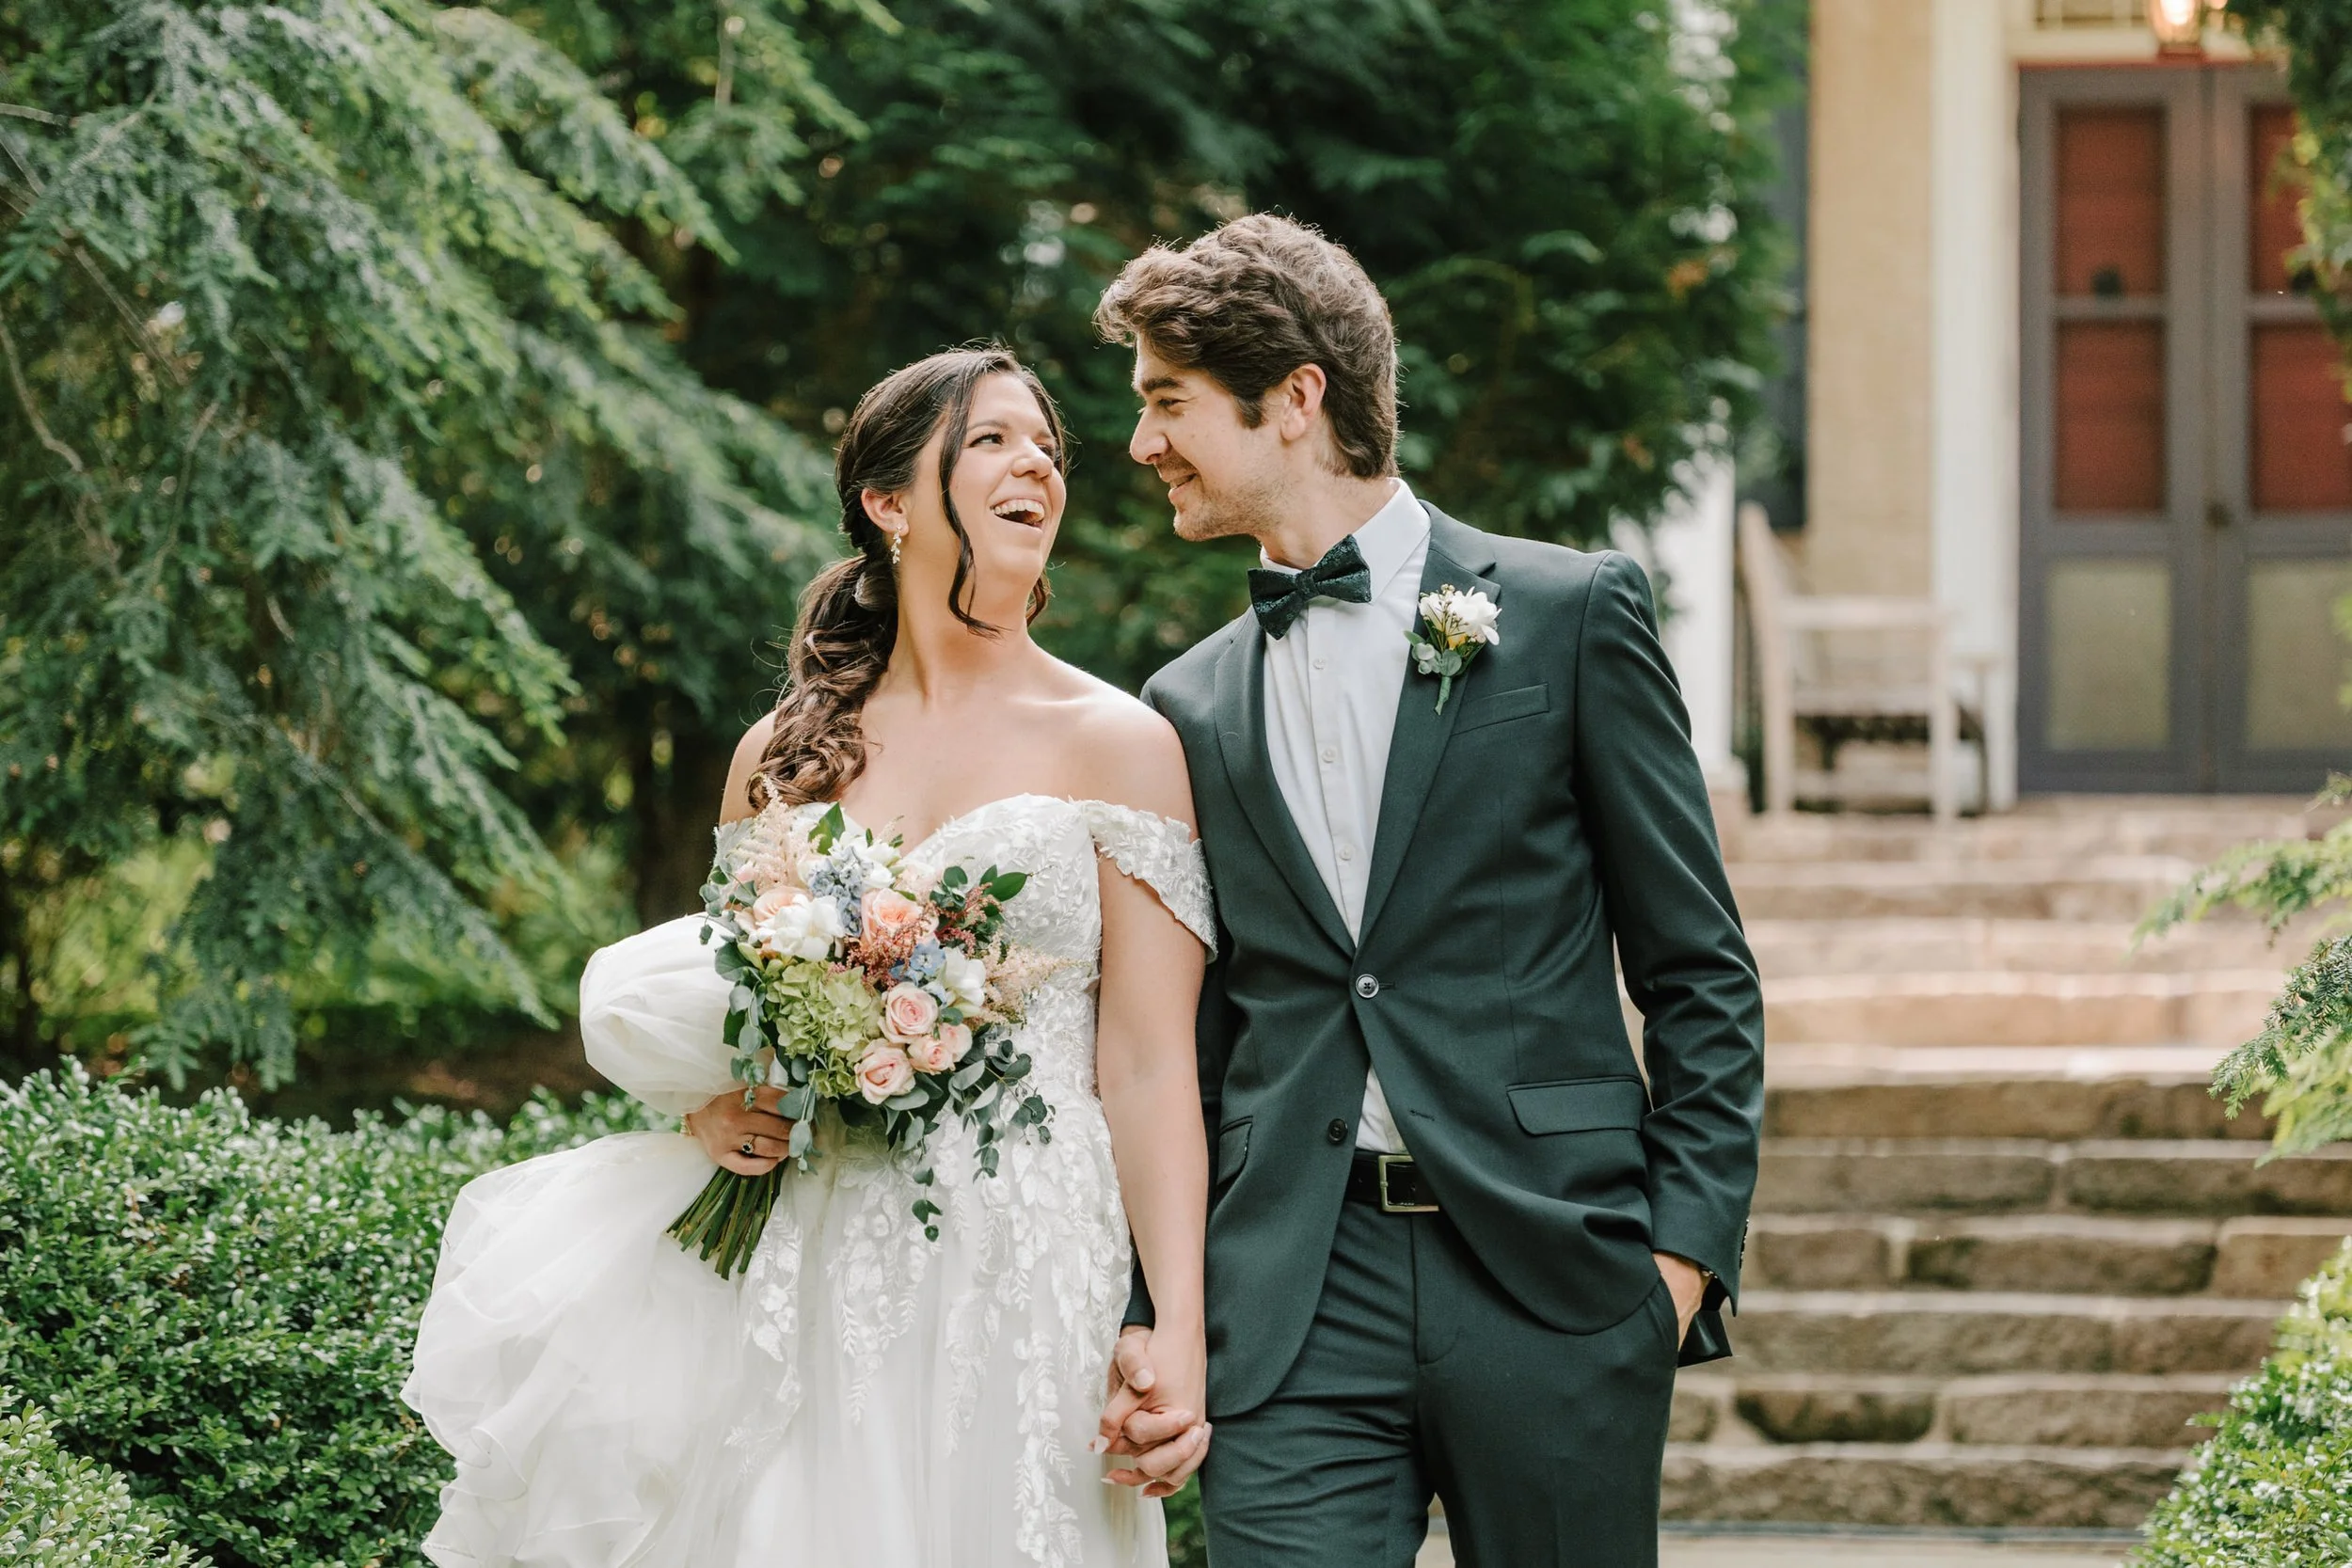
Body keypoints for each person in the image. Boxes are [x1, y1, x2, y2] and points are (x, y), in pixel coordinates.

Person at [403, 346, 1216, 1568]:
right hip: (822, 1239)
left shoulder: (1124, 743)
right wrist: (708, 1109)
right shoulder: (780, 757)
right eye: (991, 438)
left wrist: (1178, 1327)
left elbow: (1153, 1065)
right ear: (890, 503)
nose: (1036, 461)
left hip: (1037, 1251)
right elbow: (735, 998)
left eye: (1048, 445)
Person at [1092, 215, 1766, 1568]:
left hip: (1555, 1279)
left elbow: (1699, 968)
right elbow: (1187, 1038)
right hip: (1294, 1298)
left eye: (1168, 402)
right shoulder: (1186, 703)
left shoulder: (1572, 615)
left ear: (1296, 398)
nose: (1141, 442)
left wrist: (1675, 1264)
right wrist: (1159, 1301)